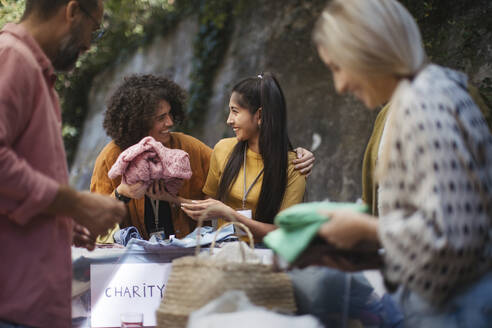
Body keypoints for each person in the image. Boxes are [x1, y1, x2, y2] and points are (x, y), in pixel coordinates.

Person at [311, 0, 492, 326]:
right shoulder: (431, 91)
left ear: (367, 50)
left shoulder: (424, 104)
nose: (340, 86)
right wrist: (365, 250)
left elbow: (451, 238)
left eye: (338, 67)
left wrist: (365, 228)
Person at [0, 1, 126, 327]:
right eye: (93, 29)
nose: (88, 44)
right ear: (72, 12)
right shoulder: (12, 57)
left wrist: (65, 221)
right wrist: (75, 202)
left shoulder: (36, 73)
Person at [91, 74, 314, 241]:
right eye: (161, 117)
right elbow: (93, 226)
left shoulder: (190, 148)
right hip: (135, 271)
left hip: (190, 259)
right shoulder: (112, 158)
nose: (170, 122)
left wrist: (297, 154)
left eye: (171, 114)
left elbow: (220, 188)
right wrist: (122, 193)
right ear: (137, 121)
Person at [180, 73, 307, 241]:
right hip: (222, 250)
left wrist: (230, 214)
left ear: (260, 115)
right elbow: (208, 205)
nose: (229, 120)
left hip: (265, 256)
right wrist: (168, 197)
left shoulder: (294, 166)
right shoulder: (223, 149)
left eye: (235, 111)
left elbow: (282, 232)